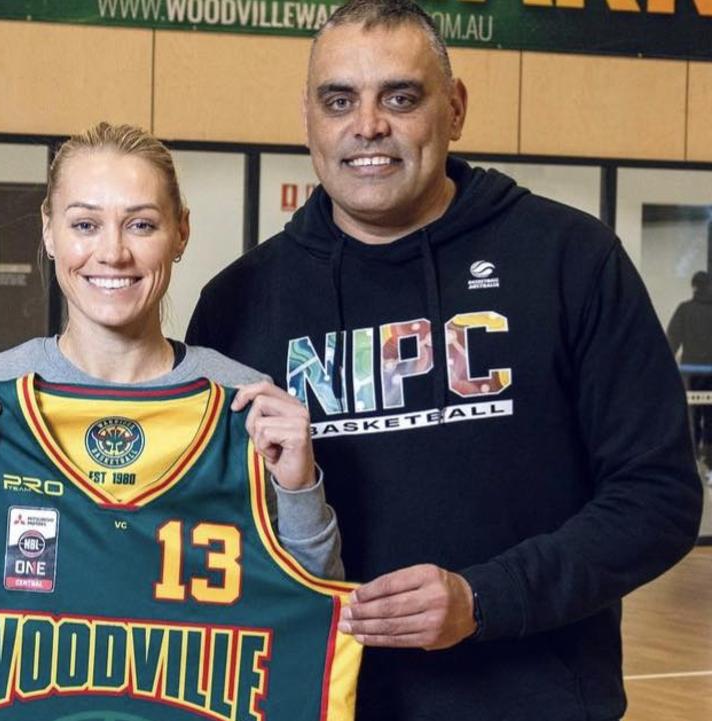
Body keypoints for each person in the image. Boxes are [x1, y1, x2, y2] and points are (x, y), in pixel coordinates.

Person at [185, 2, 704, 720]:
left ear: (454, 108)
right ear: (308, 117)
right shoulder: (239, 302)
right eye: (341, 100)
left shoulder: (568, 260)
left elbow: (659, 498)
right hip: (319, 704)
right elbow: (199, 527)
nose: (368, 125)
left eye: (401, 97)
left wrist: (485, 599)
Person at [0, 122, 342, 582]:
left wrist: (300, 489)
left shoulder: (244, 402)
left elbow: (315, 616)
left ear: (180, 232)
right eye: (85, 224)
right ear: (49, 232)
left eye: (141, 225)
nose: (112, 252)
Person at [667, 270, 712, 467]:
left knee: (691, 414)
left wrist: (666, 367)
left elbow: (672, 339)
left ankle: (693, 456)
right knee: (711, 413)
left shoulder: (684, 309)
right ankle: (709, 455)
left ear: (694, 287)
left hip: (690, 371)